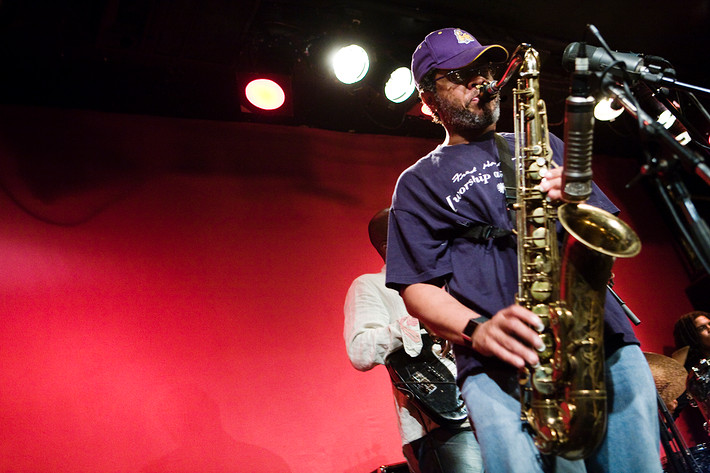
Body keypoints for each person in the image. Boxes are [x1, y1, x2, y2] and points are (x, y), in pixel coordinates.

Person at [384, 27, 661, 473]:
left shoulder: (542, 144)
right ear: (428, 97)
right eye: (460, 75)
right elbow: (417, 287)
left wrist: (576, 200)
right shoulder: (417, 182)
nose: (480, 81)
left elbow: (608, 235)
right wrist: (479, 330)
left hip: (600, 342)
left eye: (484, 69)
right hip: (502, 365)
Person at [344, 208, 483, 473]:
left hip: (488, 413)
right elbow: (360, 349)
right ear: (389, 246)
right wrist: (422, 321)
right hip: (441, 424)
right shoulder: (371, 285)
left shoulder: (453, 283)